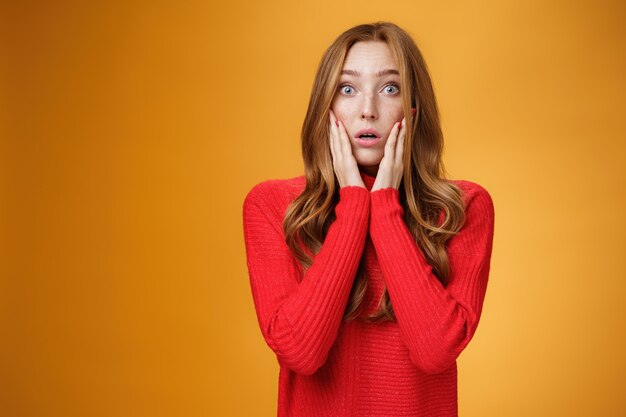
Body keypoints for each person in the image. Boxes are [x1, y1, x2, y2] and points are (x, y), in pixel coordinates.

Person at [242, 21, 495, 417]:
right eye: (348, 88)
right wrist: (355, 204)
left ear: (412, 110)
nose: (367, 109)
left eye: (389, 88)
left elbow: (435, 351)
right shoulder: (274, 206)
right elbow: (300, 353)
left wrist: (385, 208)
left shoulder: (461, 208)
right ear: (326, 107)